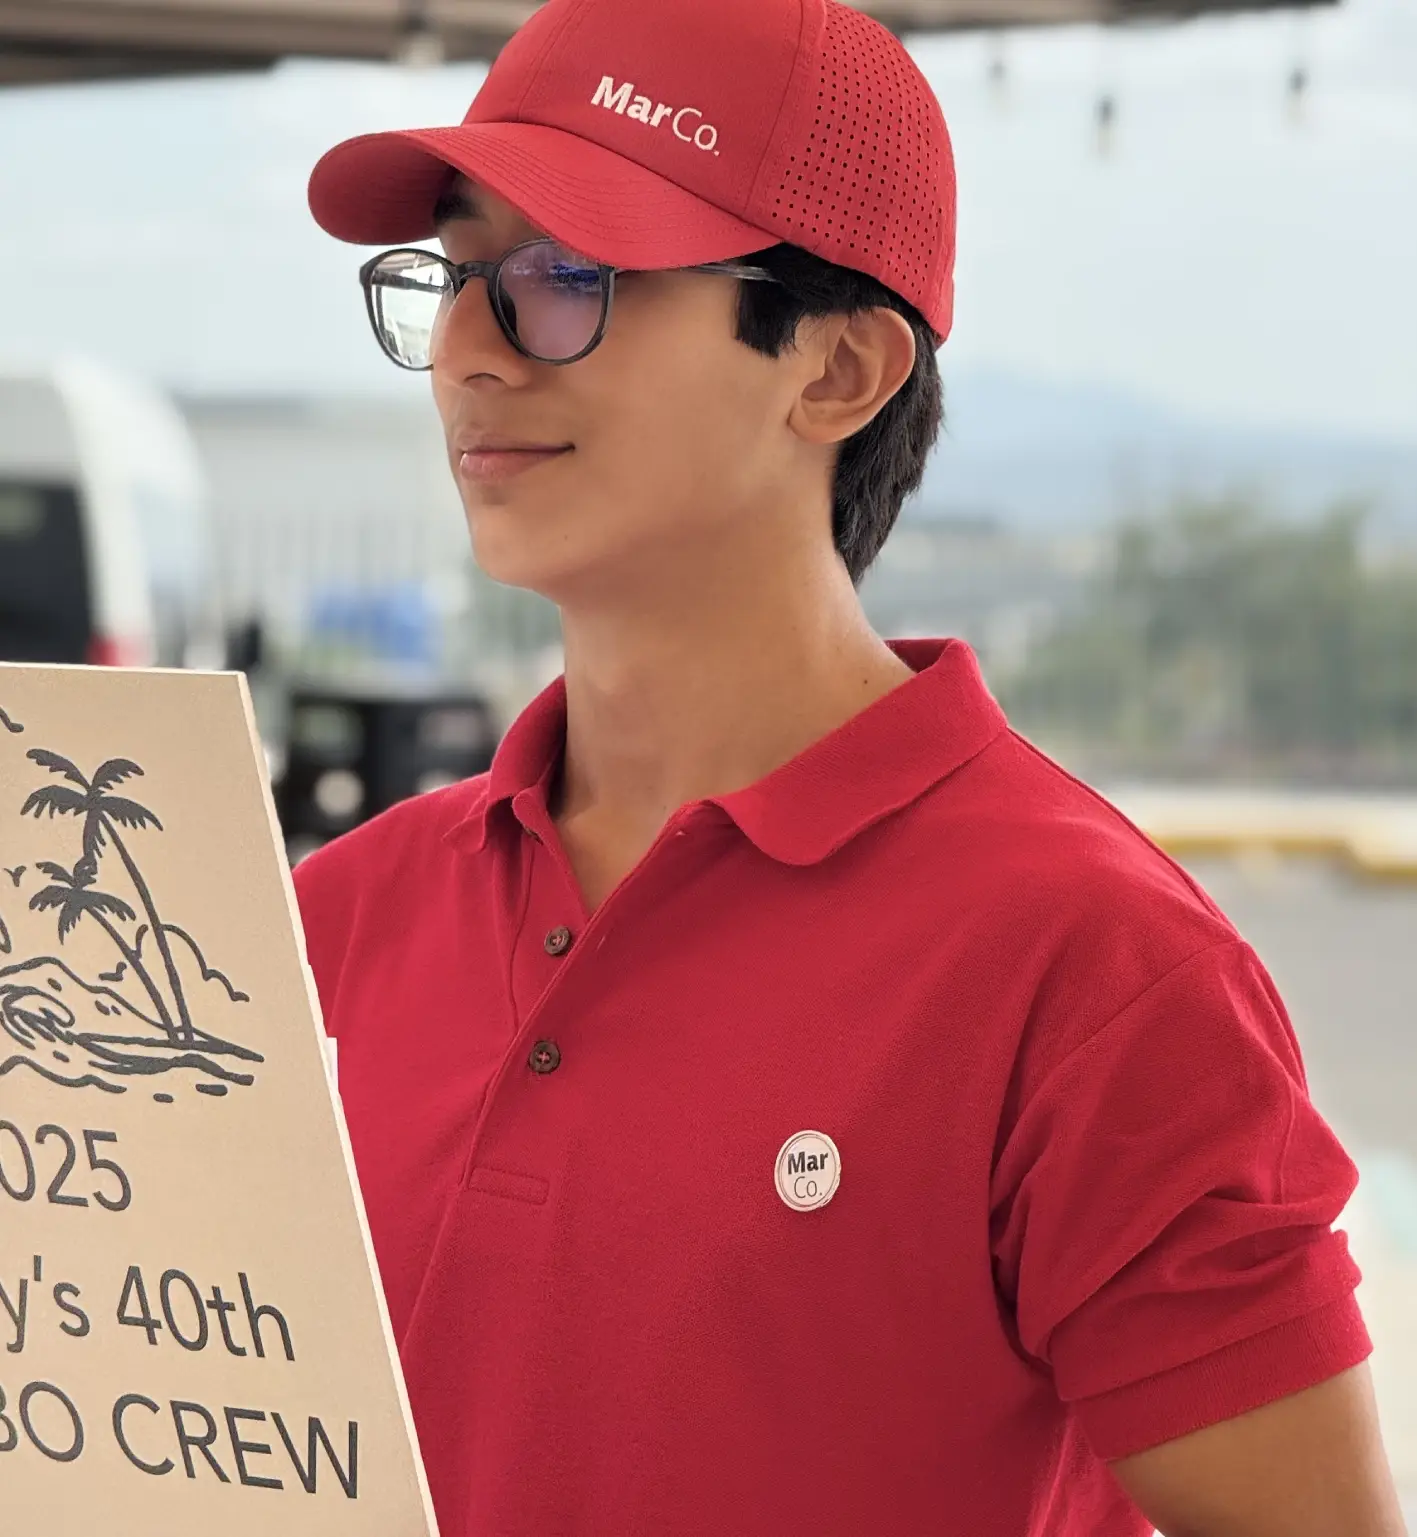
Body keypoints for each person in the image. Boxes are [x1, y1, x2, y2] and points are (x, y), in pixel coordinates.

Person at [295, 0, 1408, 1532]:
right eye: (453, 277)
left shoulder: (1092, 968)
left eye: (565, 279)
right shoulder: (331, 922)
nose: (466, 356)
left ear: (838, 369)